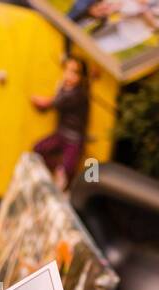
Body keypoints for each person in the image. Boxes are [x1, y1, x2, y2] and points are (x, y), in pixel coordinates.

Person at [31, 56, 91, 190]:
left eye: (74, 72)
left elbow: (51, 103)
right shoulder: (65, 88)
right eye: (67, 71)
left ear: (82, 77)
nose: (69, 76)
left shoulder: (78, 94)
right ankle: (54, 172)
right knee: (38, 149)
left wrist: (36, 99)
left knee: (68, 170)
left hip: (74, 139)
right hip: (61, 134)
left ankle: (61, 180)